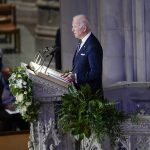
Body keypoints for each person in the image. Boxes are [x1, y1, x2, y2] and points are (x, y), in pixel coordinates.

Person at [63, 14, 103, 94]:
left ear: (84, 28)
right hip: (80, 93)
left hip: (89, 96)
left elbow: (96, 72)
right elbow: (81, 66)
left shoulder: (93, 45)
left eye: (74, 27)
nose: (72, 30)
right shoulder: (83, 41)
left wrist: (76, 77)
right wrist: (71, 74)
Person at [0, 66, 29, 131]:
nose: (9, 78)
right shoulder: (1, 84)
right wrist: (6, 106)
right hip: (3, 107)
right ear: (3, 75)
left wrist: (16, 104)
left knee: (23, 116)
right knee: (8, 117)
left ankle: (25, 134)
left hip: (15, 106)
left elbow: (19, 95)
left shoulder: (15, 81)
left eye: (10, 75)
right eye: (7, 76)